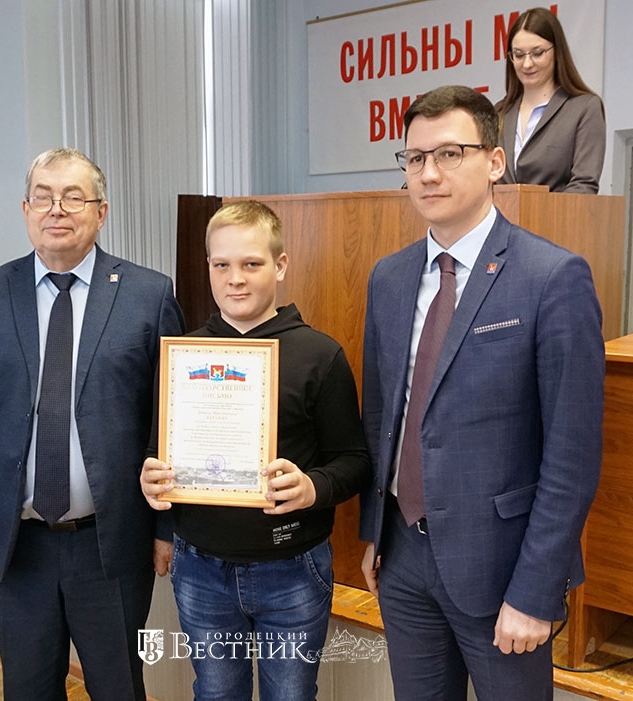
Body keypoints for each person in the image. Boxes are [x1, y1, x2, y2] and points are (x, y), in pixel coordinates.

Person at [361, 85, 604, 700]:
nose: (428, 173)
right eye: (415, 158)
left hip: (502, 570)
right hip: (403, 559)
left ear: (495, 162)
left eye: (449, 153)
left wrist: (537, 589)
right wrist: (373, 534)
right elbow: (382, 416)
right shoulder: (389, 277)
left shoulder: (552, 277)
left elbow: (572, 456)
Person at [0, 147, 185, 700]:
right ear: (26, 209)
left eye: (74, 197)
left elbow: (167, 423)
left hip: (111, 544)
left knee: (119, 687)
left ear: (101, 212)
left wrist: (166, 529)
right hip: (15, 547)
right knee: (27, 689)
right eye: (44, 196)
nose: (57, 209)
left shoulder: (149, 295)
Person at [141, 200, 371, 701]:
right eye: (221, 264)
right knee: (215, 694)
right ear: (208, 267)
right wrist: (151, 478)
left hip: (291, 568)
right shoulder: (183, 354)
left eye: (251, 263)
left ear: (280, 265)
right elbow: (159, 451)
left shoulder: (320, 354)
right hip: (200, 568)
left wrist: (312, 487)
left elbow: (354, 462)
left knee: (290, 696)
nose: (235, 279)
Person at [495, 7, 605, 194]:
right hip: (501, 213)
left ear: (557, 52)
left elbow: (584, 185)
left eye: (537, 53)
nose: (527, 64)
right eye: (519, 54)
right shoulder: (498, 112)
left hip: (559, 213)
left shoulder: (584, 108)